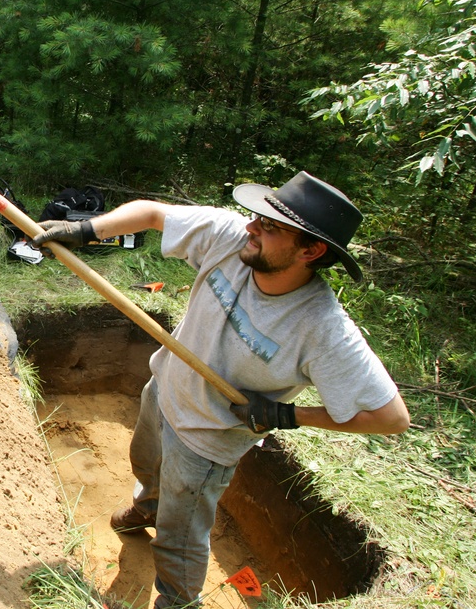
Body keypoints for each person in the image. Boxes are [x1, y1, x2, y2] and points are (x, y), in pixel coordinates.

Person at [30, 171, 411, 609]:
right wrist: (86, 229)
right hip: (164, 390)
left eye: (270, 227)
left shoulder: (322, 329)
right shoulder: (233, 239)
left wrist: (287, 416)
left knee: (180, 539)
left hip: (207, 444)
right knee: (145, 464)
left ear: (312, 249)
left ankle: (177, 601)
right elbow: (155, 214)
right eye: (257, 217)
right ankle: (147, 506)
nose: (252, 227)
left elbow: (392, 418)